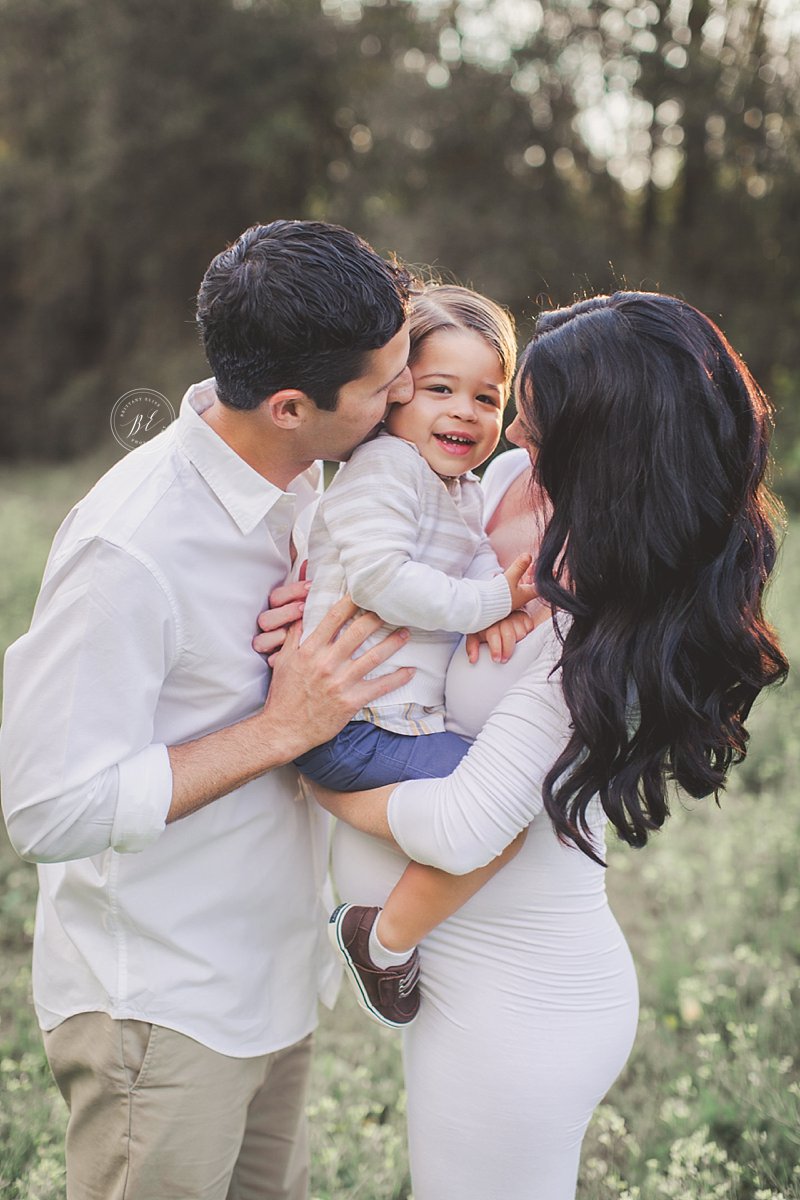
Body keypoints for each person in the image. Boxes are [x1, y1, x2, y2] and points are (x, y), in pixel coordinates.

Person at [303, 291, 788, 1199]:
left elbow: (459, 828)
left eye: (534, 434)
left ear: (605, 456)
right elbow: (392, 572)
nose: (510, 453)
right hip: (476, 991)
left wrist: (303, 755)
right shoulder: (504, 507)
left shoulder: (602, 629)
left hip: (519, 1011)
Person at [0, 219, 420, 1200]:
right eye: (382, 381)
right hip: (163, 1011)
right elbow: (44, 809)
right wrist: (281, 727)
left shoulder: (328, 487)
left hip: (275, 980)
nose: (401, 392)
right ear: (287, 405)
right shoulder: (131, 548)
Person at [294, 285, 539, 1027]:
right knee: (503, 806)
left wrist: (487, 618)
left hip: (393, 719)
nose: (465, 411)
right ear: (396, 392)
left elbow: (462, 572)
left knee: (505, 790)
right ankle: (380, 942)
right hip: (354, 723)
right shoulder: (385, 469)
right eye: (441, 389)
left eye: (486, 397)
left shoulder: (460, 488)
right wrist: (490, 603)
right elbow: (382, 580)